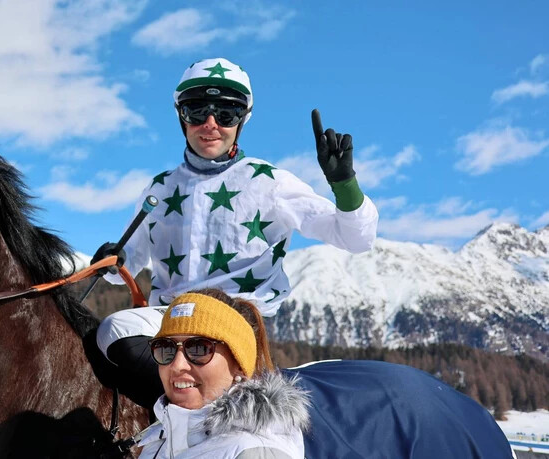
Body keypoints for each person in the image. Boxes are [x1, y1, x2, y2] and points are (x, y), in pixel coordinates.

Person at [92, 57, 378, 408]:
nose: (210, 124)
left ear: (242, 120)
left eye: (226, 114)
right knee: (111, 332)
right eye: (197, 111)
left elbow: (356, 239)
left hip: (235, 321)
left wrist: (344, 184)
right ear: (181, 116)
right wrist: (112, 261)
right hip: (171, 321)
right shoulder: (161, 187)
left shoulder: (268, 181)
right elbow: (124, 271)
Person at [137, 289, 309, 458]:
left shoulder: (254, 451)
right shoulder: (156, 445)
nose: (177, 365)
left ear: (239, 365)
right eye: (166, 348)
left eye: (199, 348)